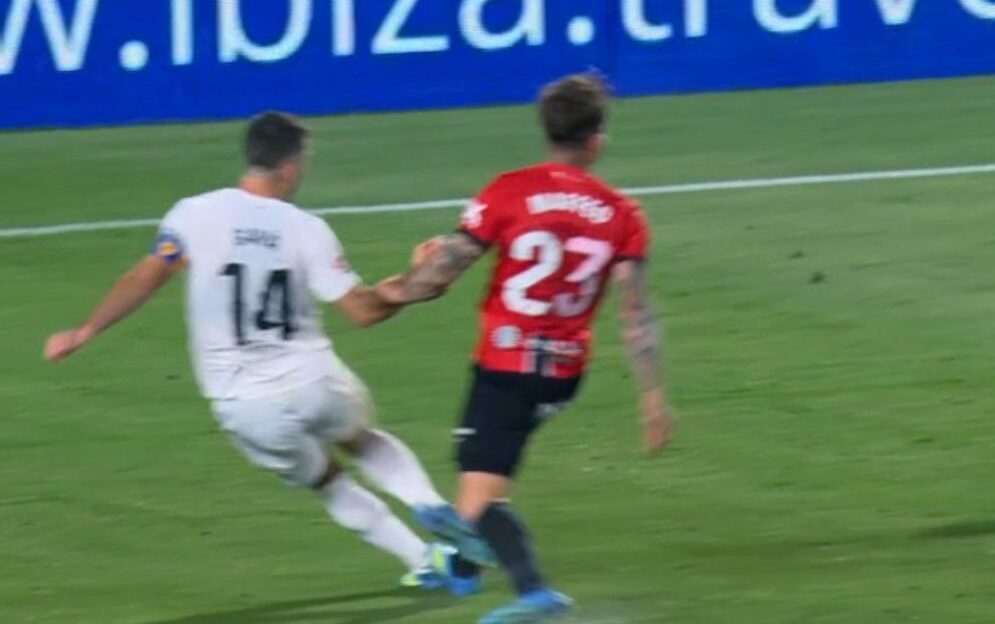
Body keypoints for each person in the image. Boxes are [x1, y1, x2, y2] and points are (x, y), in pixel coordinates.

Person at [43, 111, 481, 593]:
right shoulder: (305, 229)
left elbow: (144, 277)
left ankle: (424, 560)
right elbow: (364, 311)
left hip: (244, 404)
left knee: (328, 481)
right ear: (290, 167)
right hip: (314, 379)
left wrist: (85, 331)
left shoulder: (194, 214)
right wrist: (416, 280)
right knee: (364, 441)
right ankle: (426, 502)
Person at [376, 74, 676, 623]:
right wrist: (653, 397)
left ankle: (534, 594)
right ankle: (459, 571)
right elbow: (635, 312)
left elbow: (442, 274)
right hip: (563, 373)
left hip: (506, 365)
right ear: (596, 140)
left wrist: (401, 284)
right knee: (482, 477)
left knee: (480, 494)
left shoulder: (508, 191)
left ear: (546, 131)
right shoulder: (623, 214)